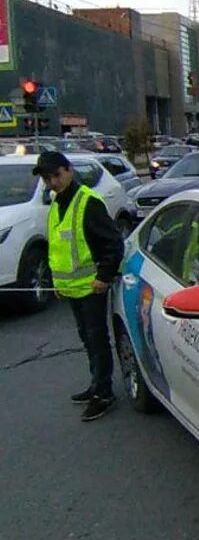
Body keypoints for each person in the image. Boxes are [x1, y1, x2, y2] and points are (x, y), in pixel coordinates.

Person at [33, 152, 123, 422]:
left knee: (97, 340)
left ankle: (104, 394)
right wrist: (57, 283)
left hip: (91, 287)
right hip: (71, 288)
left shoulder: (88, 202)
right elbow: (57, 248)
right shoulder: (57, 202)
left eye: (56, 176)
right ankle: (96, 384)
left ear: (68, 171)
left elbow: (113, 244)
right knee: (87, 338)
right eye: (48, 179)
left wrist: (104, 276)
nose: (52, 182)